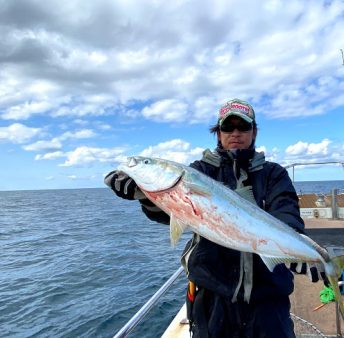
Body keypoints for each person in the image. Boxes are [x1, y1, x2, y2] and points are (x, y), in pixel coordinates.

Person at [106, 99, 308, 338]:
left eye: (243, 127)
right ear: (218, 133)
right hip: (212, 298)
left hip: (267, 299)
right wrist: (143, 196)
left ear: (253, 132)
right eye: (227, 127)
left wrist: (296, 246)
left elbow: (286, 212)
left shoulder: (273, 174)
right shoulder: (198, 172)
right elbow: (168, 211)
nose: (235, 133)